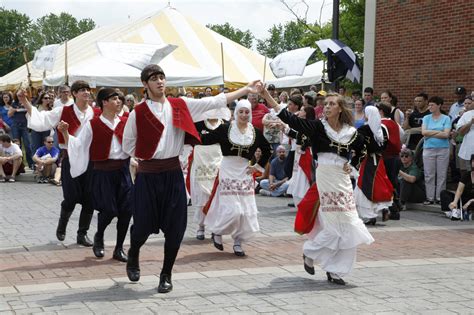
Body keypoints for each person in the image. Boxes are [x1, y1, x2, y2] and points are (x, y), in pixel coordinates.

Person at [122, 64, 262, 293]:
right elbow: (128, 144)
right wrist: (141, 157)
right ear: (145, 85)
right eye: (154, 78)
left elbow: (215, 101)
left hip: (172, 174)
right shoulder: (137, 112)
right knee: (142, 227)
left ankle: (166, 274)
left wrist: (245, 89)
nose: (160, 82)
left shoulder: (180, 105)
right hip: (148, 176)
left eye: (162, 77)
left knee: (175, 227)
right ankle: (134, 252)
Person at [260, 85, 374, 286]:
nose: (327, 107)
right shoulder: (318, 127)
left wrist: (352, 164)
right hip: (326, 174)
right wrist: (267, 96)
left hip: (343, 178)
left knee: (349, 223)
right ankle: (310, 252)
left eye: (332, 104)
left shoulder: (352, 132)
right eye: (326, 104)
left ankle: (335, 269)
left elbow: (364, 149)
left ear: (340, 108)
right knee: (333, 224)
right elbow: (291, 119)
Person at [17, 81, 95, 247]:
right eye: (82, 90)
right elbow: (41, 119)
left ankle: (82, 234)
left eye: (88, 90)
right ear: (74, 93)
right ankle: (62, 225)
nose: (86, 92)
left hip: (90, 160)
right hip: (70, 158)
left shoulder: (95, 112)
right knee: (71, 198)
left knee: (90, 199)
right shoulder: (63, 111)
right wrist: (25, 102)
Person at [58, 88, 132, 263]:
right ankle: (99, 236)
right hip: (102, 172)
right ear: (104, 102)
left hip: (123, 171)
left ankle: (119, 248)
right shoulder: (92, 124)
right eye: (114, 98)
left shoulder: (126, 121)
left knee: (126, 211)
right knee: (109, 210)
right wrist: (65, 133)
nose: (119, 101)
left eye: (120, 98)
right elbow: (78, 145)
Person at [200, 99, 271, 257]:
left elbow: (267, 149)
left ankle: (238, 241)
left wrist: (257, 167)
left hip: (245, 172)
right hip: (228, 169)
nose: (244, 115)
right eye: (241, 112)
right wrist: (189, 132)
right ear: (236, 113)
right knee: (232, 209)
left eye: (247, 112)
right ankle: (217, 232)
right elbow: (206, 139)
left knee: (244, 211)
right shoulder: (225, 128)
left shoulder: (255, 132)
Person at [191, 114, 229, 241]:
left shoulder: (225, 124)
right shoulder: (198, 123)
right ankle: (201, 227)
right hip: (201, 162)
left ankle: (215, 228)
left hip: (217, 162)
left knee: (216, 196)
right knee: (201, 195)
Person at [353, 106, 393, 225]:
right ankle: (381, 208)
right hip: (379, 159)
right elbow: (386, 144)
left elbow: (359, 145)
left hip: (367, 160)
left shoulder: (364, 129)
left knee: (364, 185)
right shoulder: (383, 128)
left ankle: (370, 215)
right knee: (380, 183)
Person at [421, 96, 451, 205]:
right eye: (429, 105)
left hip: (443, 149)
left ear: (439, 105)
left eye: (432, 105)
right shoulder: (426, 118)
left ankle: (439, 197)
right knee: (429, 174)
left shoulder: (446, 118)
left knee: (442, 174)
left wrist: (431, 132)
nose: (430, 107)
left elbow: (446, 134)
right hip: (428, 148)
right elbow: (423, 132)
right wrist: (439, 132)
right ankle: (429, 197)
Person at [440, 155, 474, 220]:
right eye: (473, 161)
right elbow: (459, 190)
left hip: (472, 202)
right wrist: (455, 202)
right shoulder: (467, 175)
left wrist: (470, 201)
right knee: (444, 193)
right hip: (464, 200)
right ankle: (455, 211)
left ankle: (459, 212)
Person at [456, 96, 474, 173]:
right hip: (470, 150)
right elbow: (461, 132)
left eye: (469, 103)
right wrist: (470, 122)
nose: (466, 105)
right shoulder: (466, 115)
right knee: (468, 174)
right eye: (465, 103)